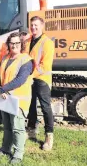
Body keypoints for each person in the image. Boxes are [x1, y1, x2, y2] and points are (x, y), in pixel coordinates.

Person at [0, 32, 34, 164]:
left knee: (17, 128)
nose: (14, 45)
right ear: (8, 44)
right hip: (5, 98)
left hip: (18, 100)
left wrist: (2, 89)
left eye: (17, 43)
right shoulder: (5, 58)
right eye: (12, 43)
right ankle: (6, 148)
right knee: (7, 126)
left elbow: (21, 80)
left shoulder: (26, 60)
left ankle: (18, 154)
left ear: (21, 44)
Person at [25, 16, 55, 151]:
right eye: (32, 25)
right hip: (29, 78)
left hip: (42, 79)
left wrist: (31, 75)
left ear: (42, 26)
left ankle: (49, 136)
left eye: (36, 25)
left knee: (45, 107)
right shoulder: (28, 41)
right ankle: (31, 129)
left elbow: (45, 65)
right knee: (30, 105)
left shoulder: (47, 42)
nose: (33, 28)